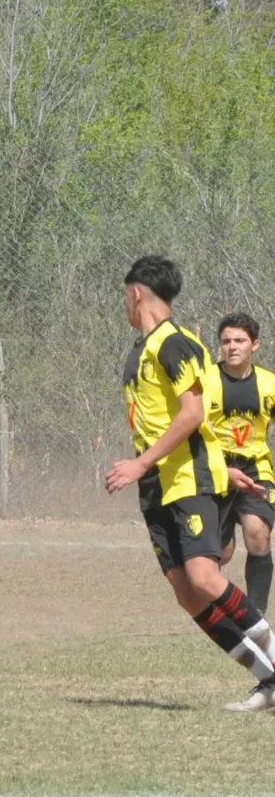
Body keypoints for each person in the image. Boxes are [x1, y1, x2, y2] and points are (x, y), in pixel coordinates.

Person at [107, 256, 275, 712]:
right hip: (156, 485)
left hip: (186, 477)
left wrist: (140, 463)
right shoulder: (140, 350)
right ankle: (268, 681)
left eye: (125, 296)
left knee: (205, 576)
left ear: (136, 293)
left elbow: (193, 414)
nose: (124, 304)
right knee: (187, 593)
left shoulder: (174, 343)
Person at [204, 312, 275, 613]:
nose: (232, 346)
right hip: (213, 468)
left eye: (239, 340)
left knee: (258, 534)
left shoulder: (269, 384)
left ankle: (256, 616)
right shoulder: (204, 381)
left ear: (255, 344)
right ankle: (217, 614)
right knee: (222, 552)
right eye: (226, 341)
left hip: (255, 469)